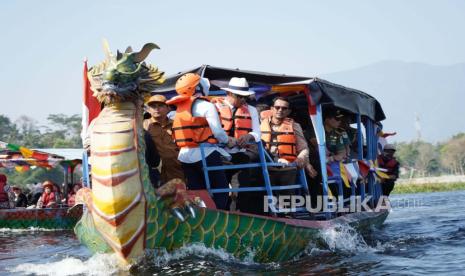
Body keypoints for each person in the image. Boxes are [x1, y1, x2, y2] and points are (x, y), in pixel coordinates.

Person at [166, 73, 233, 210]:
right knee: (221, 189)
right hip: (206, 154)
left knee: (197, 191)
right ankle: (220, 215)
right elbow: (218, 132)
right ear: (197, 88)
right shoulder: (206, 106)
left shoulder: (178, 109)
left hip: (185, 155)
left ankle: (203, 218)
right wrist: (228, 141)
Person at [261, 97, 310, 198]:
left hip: (287, 166)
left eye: (284, 108)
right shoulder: (260, 125)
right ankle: (268, 212)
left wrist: (301, 158)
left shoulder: (295, 126)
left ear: (288, 111)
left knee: (286, 194)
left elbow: (304, 148)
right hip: (266, 166)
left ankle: (287, 213)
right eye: (277, 107)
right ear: (271, 108)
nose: (280, 110)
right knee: (263, 195)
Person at [144, 94, 185, 185]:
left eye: (160, 106)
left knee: (179, 195)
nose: (156, 109)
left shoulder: (176, 124)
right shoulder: (144, 126)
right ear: (148, 110)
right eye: (153, 106)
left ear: (168, 108)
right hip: (154, 171)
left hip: (177, 169)